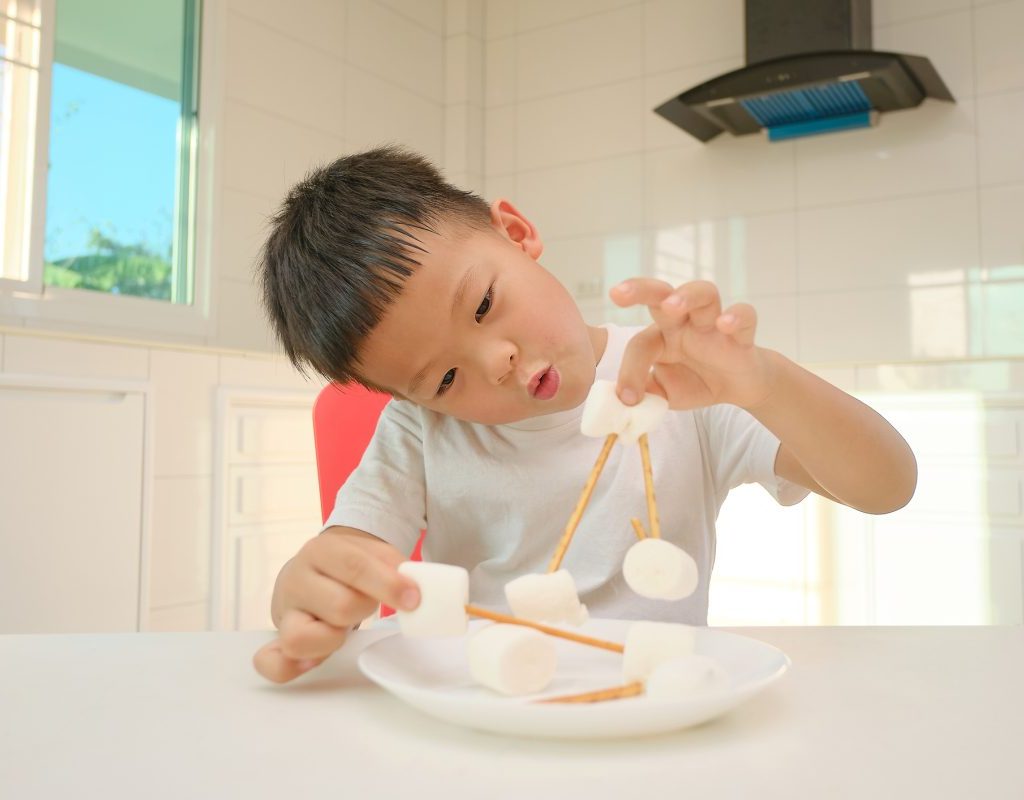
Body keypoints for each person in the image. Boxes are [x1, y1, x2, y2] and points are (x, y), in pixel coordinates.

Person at [252, 146, 917, 683]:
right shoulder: (421, 430)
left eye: (483, 305)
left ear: (514, 234)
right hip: (493, 701)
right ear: (411, 398)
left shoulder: (679, 380)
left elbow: (888, 486)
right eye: (446, 379)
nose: (497, 361)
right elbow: (349, 551)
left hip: (654, 703)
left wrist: (763, 383)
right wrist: (305, 593)